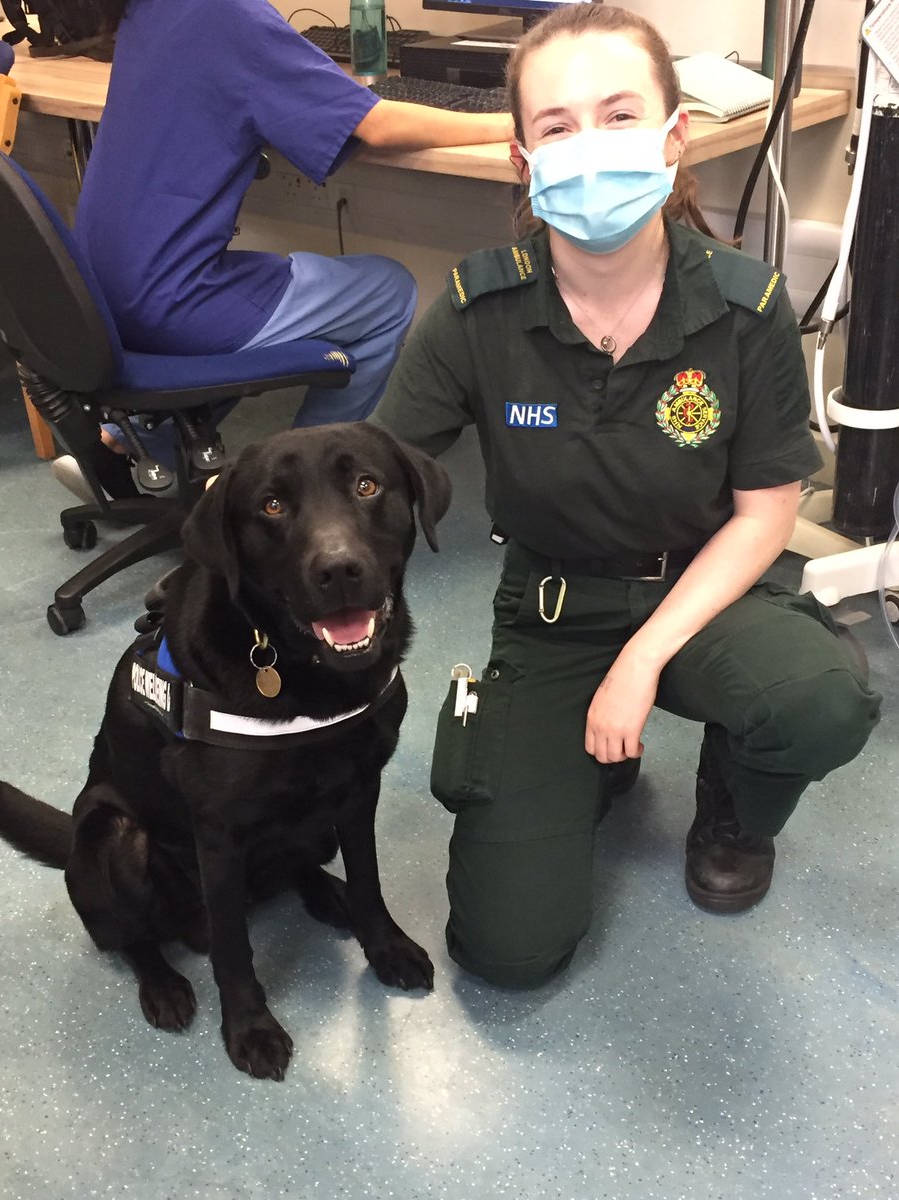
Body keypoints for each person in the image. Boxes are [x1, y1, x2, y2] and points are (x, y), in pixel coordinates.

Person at [372, 3, 882, 989]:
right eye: (557, 127)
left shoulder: (746, 310)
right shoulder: (479, 311)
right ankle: (582, 765)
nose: (589, 147)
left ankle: (731, 794)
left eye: (618, 115)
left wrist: (643, 660)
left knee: (818, 700)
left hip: (702, 596)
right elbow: (371, 467)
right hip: (553, 612)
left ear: (673, 135)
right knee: (507, 951)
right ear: (523, 158)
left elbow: (767, 513)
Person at [52, 0, 512, 501]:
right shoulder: (227, 14)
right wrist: (513, 123)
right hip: (169, 301)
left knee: (268, 289)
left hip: (97, 295)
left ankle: (131, 443)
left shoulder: (154, 9)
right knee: (387, 290)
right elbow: (375, 125)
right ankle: (305, 490)